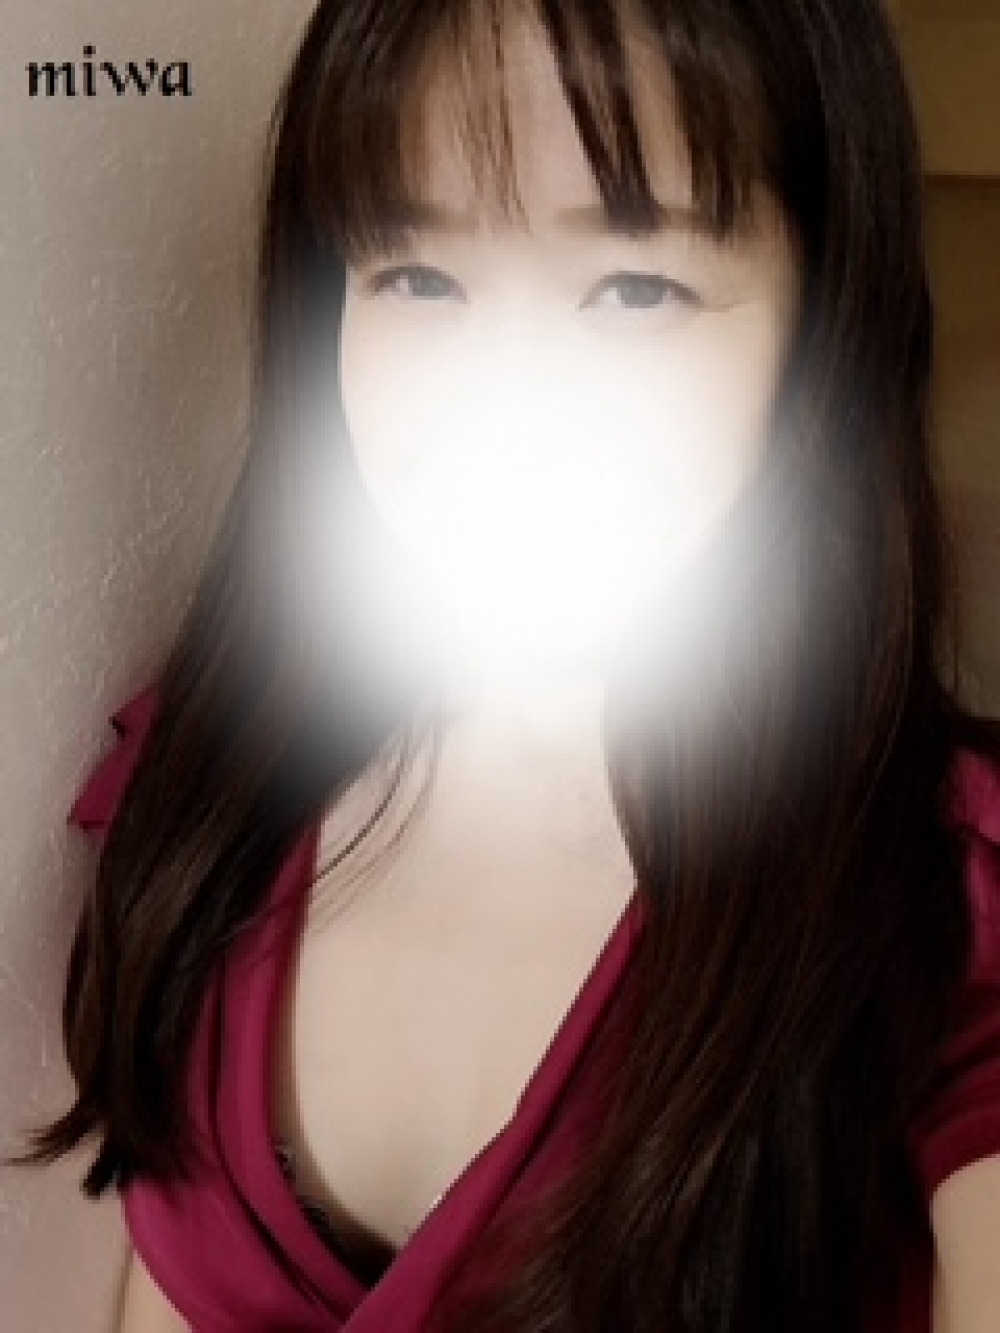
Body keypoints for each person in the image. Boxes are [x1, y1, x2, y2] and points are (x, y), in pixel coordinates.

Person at [7, 0, 1000, 1329]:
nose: (506, 394)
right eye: (417, 277)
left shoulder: (948, 907)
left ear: (822, 332)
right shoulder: (204, 807)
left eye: (636, 289)